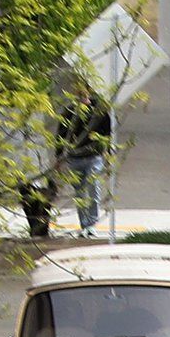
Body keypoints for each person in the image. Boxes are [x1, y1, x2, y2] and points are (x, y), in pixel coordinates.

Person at [56, 93, 112, 234]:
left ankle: (92, 223)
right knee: (79, 192)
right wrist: (59, 156)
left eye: (84, 94)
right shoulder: (69, 112)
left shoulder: (99, 112)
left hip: (94, 157)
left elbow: (107, 133)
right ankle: (84, 224)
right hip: (74, 158)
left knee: (93, 187)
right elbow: (61, 135)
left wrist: (108, 152)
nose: (81, 97)